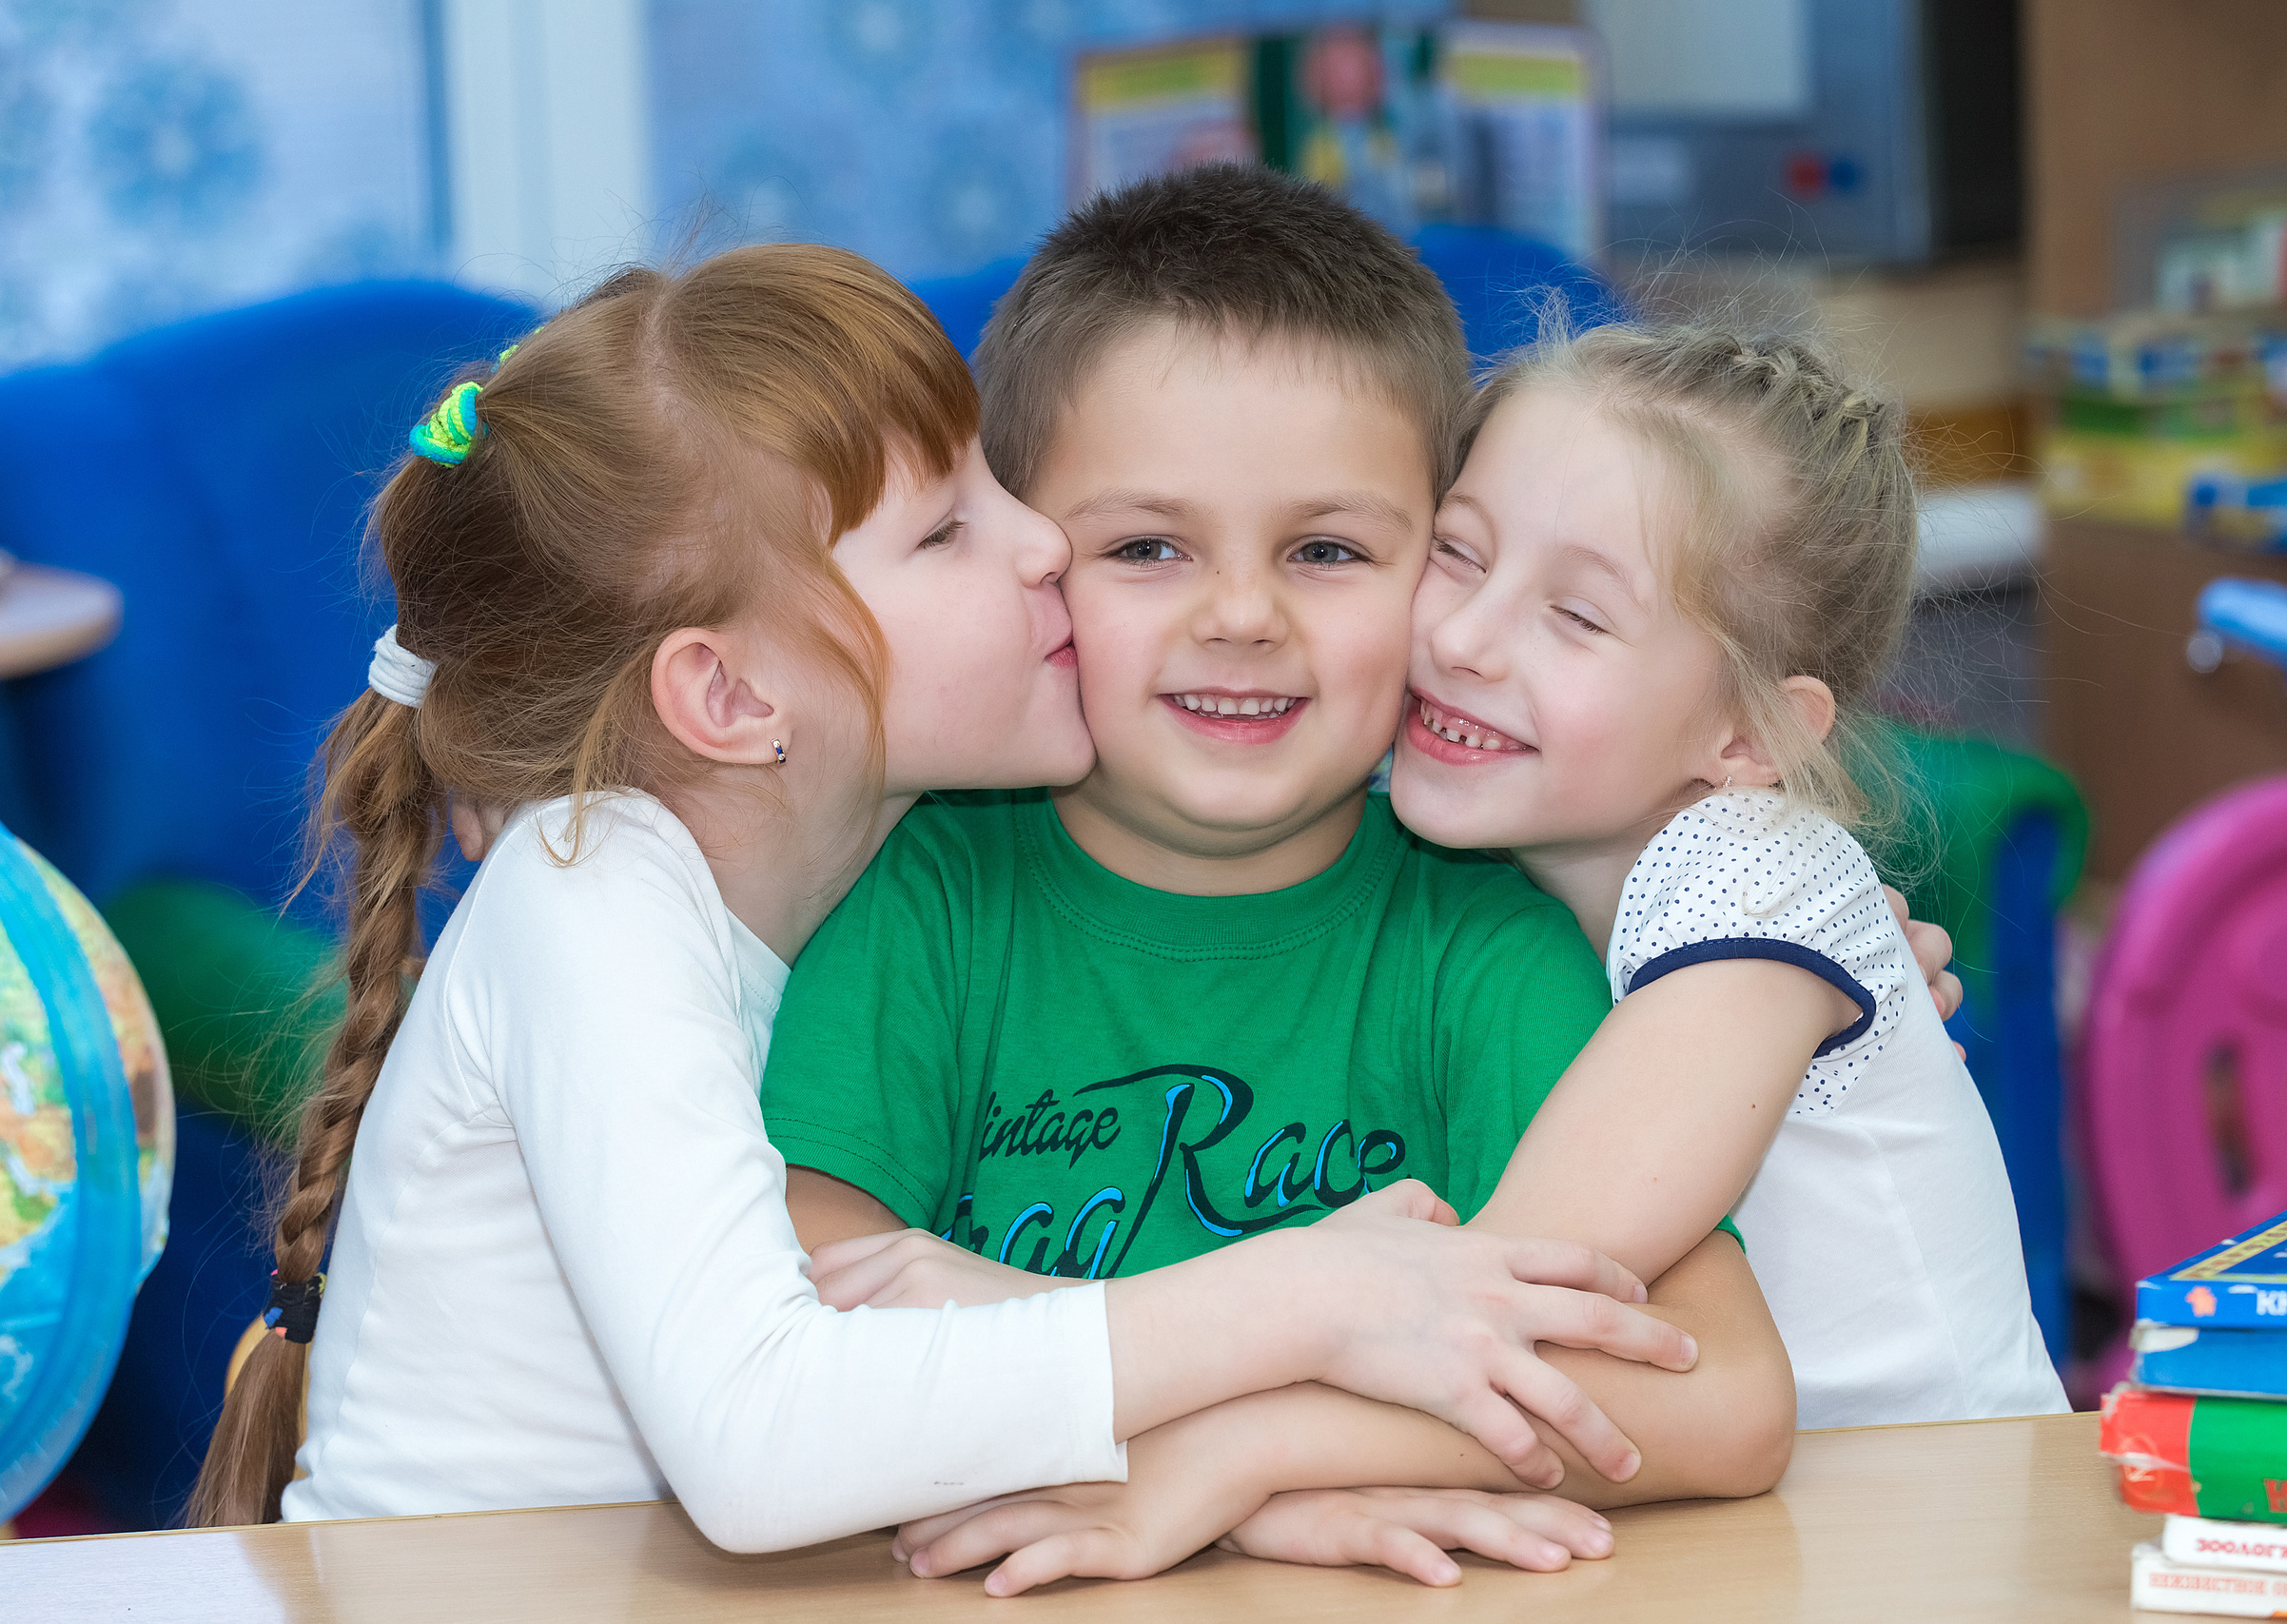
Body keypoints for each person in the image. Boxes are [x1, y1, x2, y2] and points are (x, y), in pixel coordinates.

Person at [185, 245, 1701, 1546]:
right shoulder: (592, 898)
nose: (1046, 539)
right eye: (949, 528)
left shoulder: (799, 889)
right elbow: (765, 1439)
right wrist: (1310, 1296)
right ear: (726, 693)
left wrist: (1718, 932)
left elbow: (890, 1406)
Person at [766, 166, 1963, 1594]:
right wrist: (1261, 1463)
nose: (1241, 616)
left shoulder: (1490, 935)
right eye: (1146, 546)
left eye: (1328, 550)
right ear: (1032, 556)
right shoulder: (926, 891)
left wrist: (1206, 1457)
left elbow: (1707, 1391)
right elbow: (791, 1350)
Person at [1390, 323, 2070, 1429]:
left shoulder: (1756, 872)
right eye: (1457, 551)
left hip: (1937, 1540)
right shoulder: (1508, 841)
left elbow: (1516, 1282)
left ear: (1750, 737)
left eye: (1576, 615)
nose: (1462, 635)